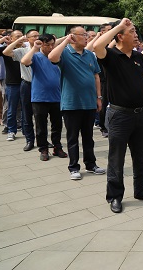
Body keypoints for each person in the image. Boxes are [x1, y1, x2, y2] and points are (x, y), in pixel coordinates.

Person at [93, 18, 143, 214]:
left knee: (141, 157)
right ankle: (115, 196)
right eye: (132, 32)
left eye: (135, 31)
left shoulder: (138, 57)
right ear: (120, 36)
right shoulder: (111, 55)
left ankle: (140, 190)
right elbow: (96, 46)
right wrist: (120, 26)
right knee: (116, 158)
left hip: (141, 113)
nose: (136, 35)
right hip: (119, 115)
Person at [48, 26, 105, 181]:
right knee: (72, 137)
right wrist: (66, 40)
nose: (87, 37)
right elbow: (52, 57)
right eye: (83, 34)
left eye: (87, 34)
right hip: (71, 103)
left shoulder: (89, 54)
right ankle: (74, 167)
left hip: (89, 102)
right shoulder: (65, 53)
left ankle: (91, 164)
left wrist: (98, 97)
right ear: (72, 36)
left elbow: (96, 76)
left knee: (88, 137)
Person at [20, 34, 67, 161]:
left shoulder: (57, 56)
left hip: (57, 96)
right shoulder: (36, 56)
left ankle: (57, 147)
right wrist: (35, 48)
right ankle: (43, 148)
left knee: (57, 125)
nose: (51, 47)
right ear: (41, 44)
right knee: (41, 126)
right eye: (47, 45)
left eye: (52, 44)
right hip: (40, 97)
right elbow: (24, 61)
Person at [4, 29, 39, 151]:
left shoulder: (44, 50)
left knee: (41, 114)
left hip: (41, 86)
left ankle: (43, 140)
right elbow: (6, 52)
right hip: (27, 84)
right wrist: (18, 40)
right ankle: (29, 140)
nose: (37, 38)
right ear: (27, 38)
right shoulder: (22, 51)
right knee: (26, 113)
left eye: (38, 35)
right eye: (34, 36)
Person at [0, 31, 23, 142]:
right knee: (11, 108)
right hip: (12, 83)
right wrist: (1, 39)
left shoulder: (26, 48)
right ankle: (11, 130)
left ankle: (26, 129)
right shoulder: (6, 50)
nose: (20, 38)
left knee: (26, 109)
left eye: (21, 36)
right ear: (11, 38)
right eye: (17, 37)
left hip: (26, 82)